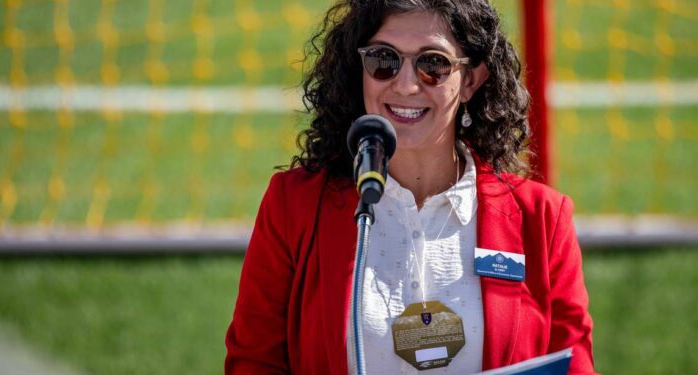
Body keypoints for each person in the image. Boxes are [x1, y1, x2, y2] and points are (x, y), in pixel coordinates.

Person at [225, 0, 595, 374]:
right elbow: (253, 364)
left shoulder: (543, 218)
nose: (405, 85)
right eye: (383, 60)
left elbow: (574, 366)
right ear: (361, 71)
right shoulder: (295, 205)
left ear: (470, 80)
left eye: (432, 64)